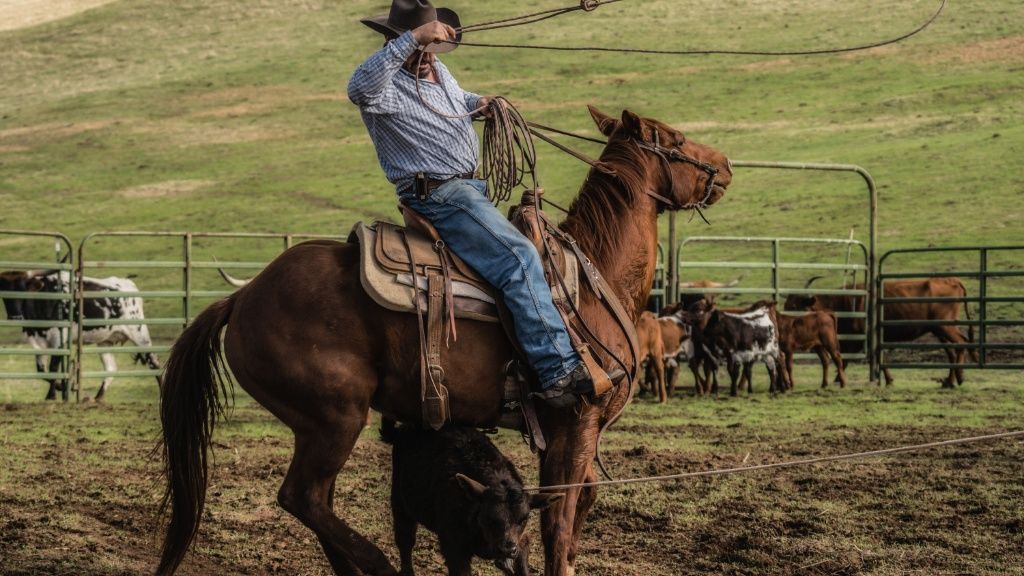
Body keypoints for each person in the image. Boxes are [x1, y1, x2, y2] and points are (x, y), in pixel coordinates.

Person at [347, 0, 611, 408]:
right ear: (393, 40)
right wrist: (412, 40)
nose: (425, 57)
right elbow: (358, 89)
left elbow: (452, 101)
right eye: (418, 47)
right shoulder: (383, 87)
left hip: (468, 190)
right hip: (440, 195)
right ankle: (556, 370)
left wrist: (480, 104)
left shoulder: (437, 70)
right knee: (519, 257)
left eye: (431, 49)